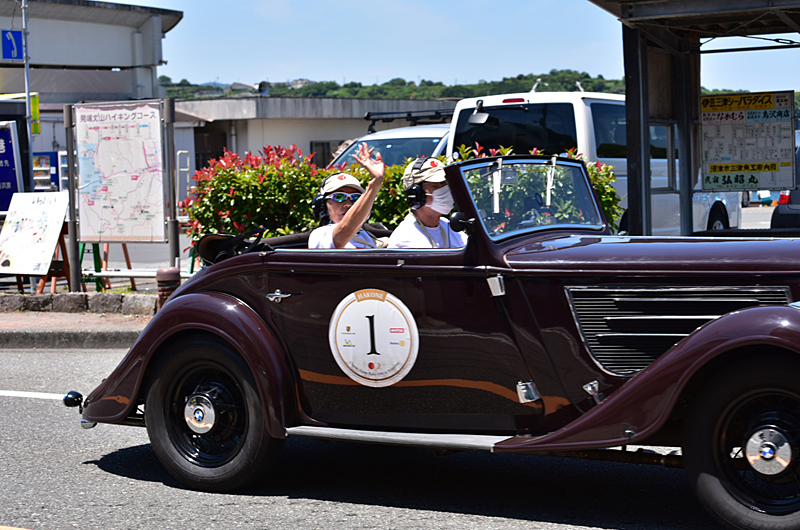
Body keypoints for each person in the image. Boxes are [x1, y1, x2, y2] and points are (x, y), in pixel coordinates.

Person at [309, 142, 385, 249]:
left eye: (356, 198)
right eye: (339, 197)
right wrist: (375, 183)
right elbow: (345, 229)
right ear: (322, 205)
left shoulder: (366, 235)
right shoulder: (321, 234)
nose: (348, 204)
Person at [387, 157, 468, 249]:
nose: (446, 190)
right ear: (416, 194)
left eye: (446, 184)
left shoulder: (450, 227)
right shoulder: (405, 239)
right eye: (436, 185)